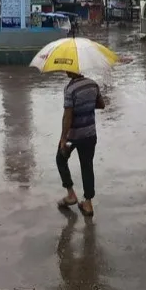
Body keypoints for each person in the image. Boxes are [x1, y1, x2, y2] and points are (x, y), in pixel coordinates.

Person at [56, 72, 105, 217]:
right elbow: (101, 104)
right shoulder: (93, 84)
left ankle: (71, 195)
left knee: (60, 159)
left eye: (67, 67)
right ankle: (88, 204)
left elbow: (68, 115)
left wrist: (63, 139)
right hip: (90, 134)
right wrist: (87, 104)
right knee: (87, 166)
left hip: (73, 136)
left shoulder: (70, 89)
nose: (65, 70)